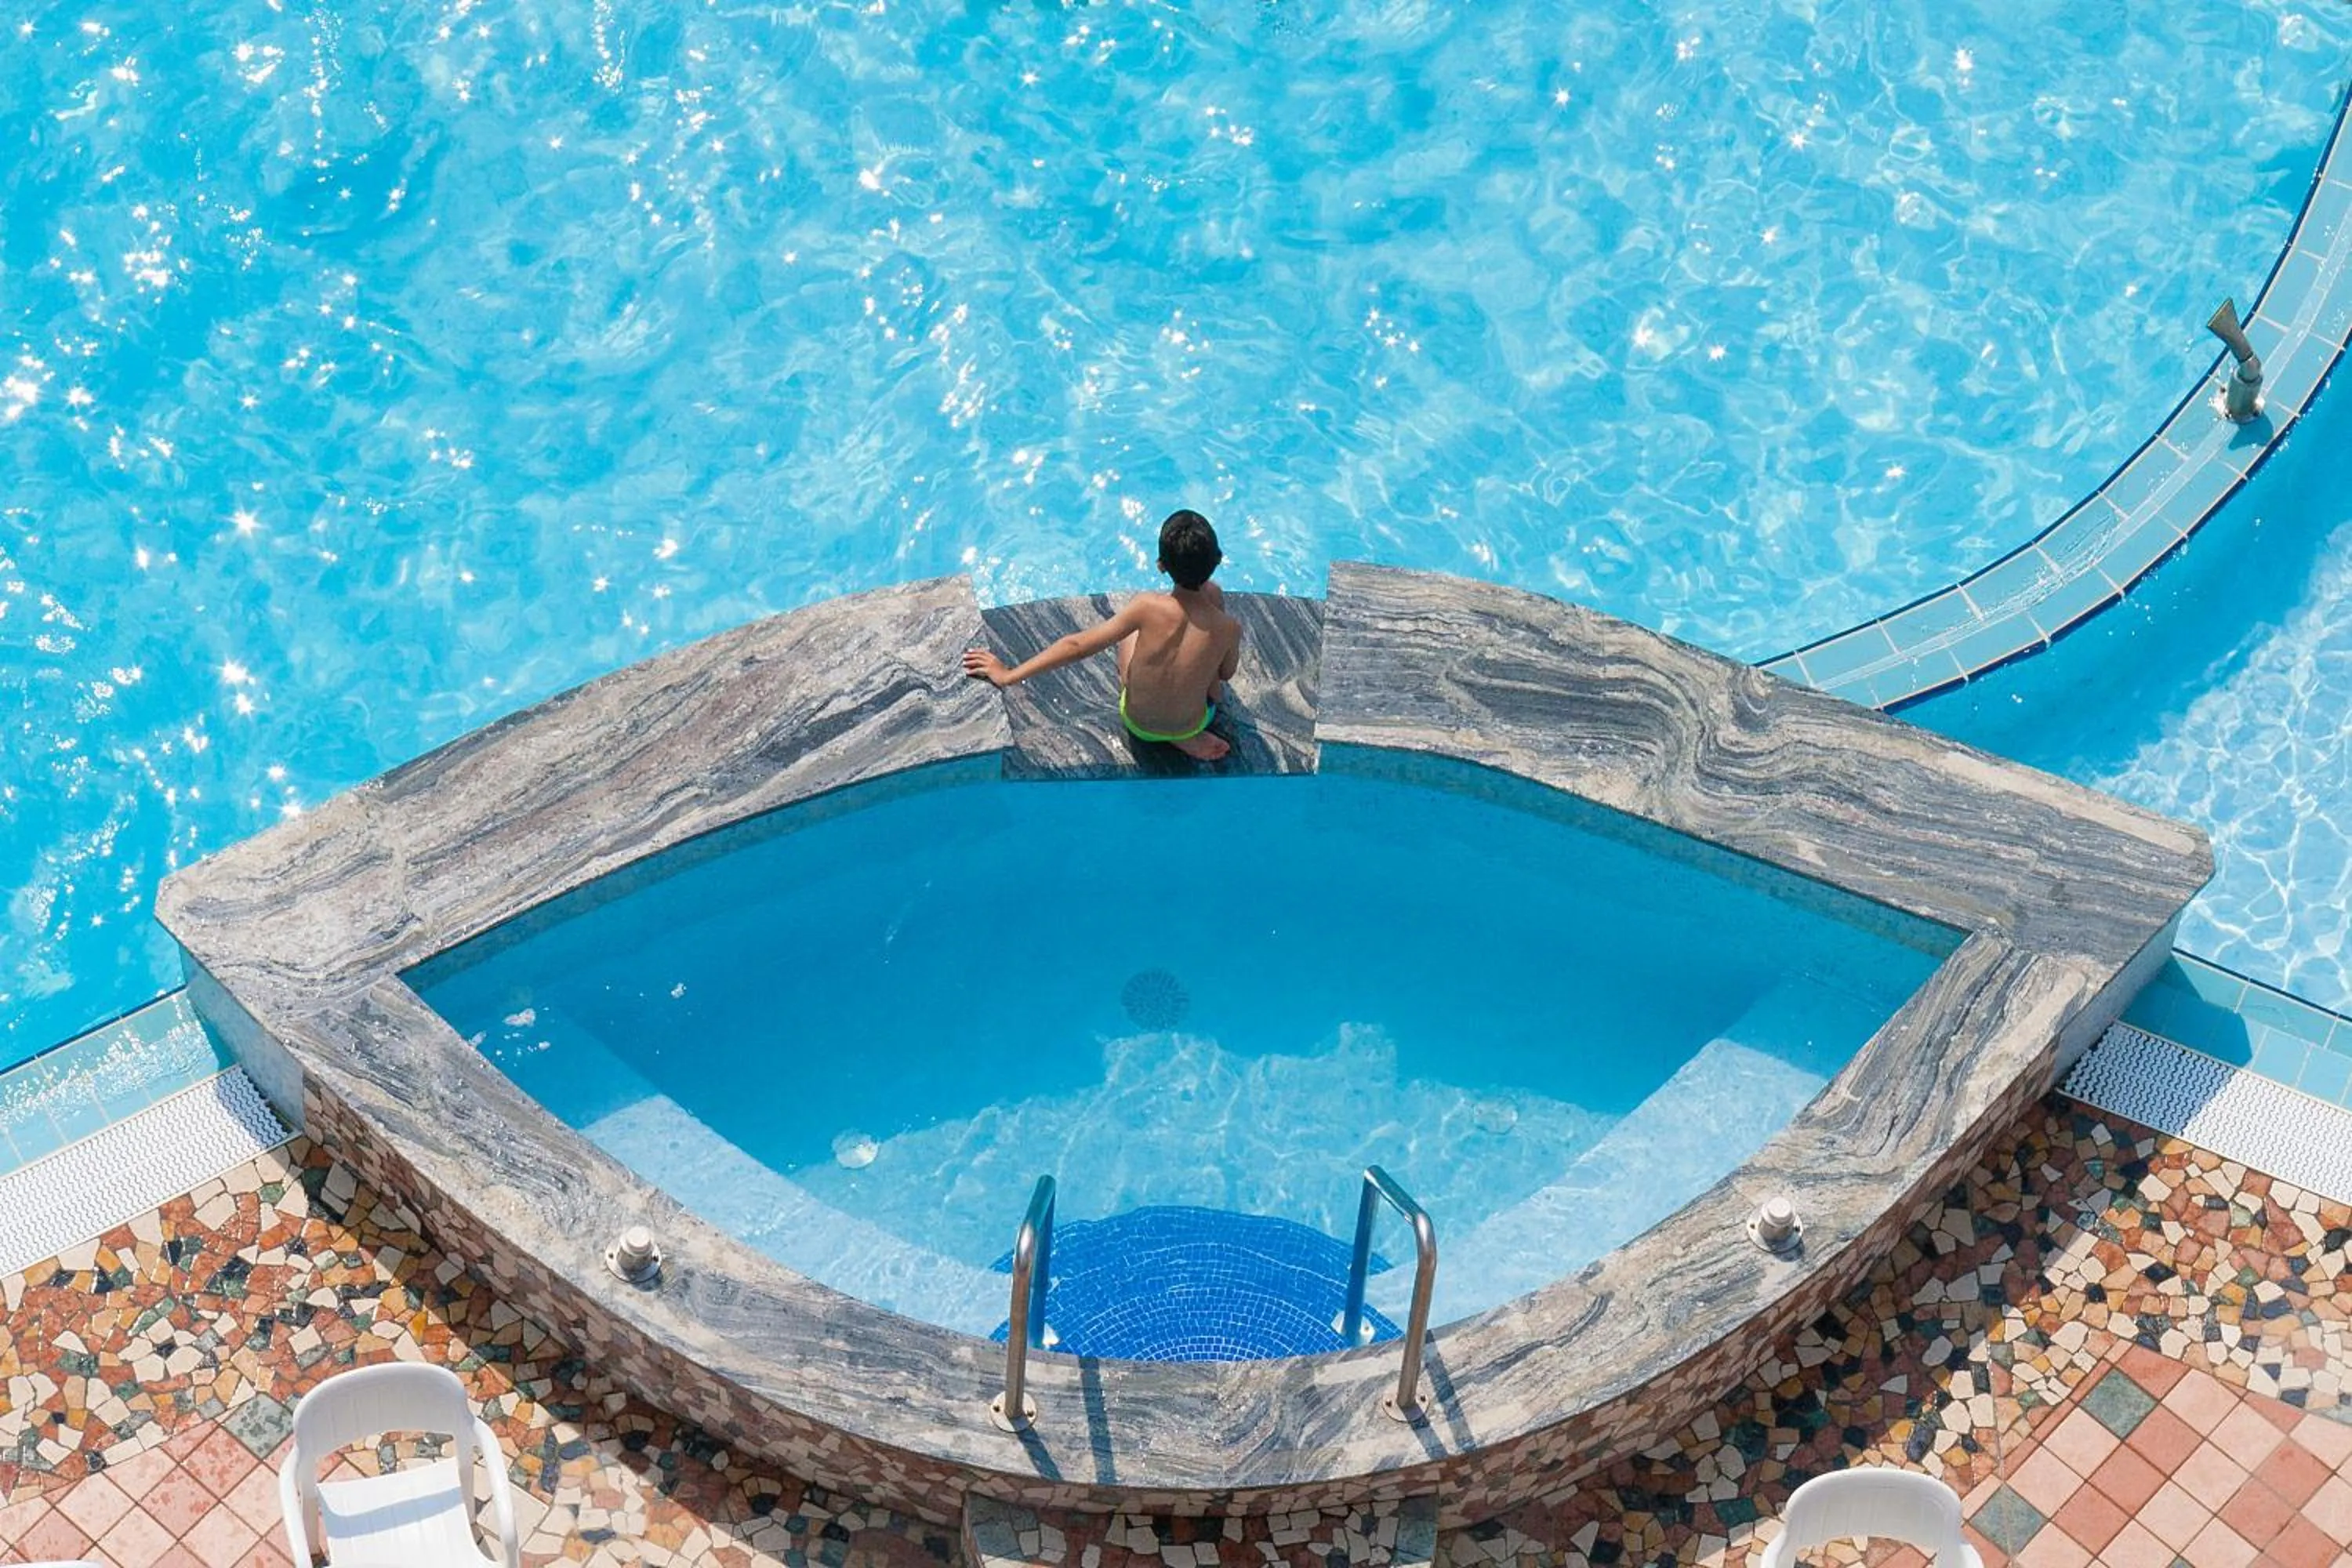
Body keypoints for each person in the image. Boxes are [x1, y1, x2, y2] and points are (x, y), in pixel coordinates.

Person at [963, 509, 1243, 760]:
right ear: (1217, 560)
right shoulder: (1229, 627)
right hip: (1197, 721)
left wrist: (1008, 674)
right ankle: (1183, 735)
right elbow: (1226, 673)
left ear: (1161, 565)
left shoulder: (1146, 607)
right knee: (1209, 638)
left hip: (1137, 723)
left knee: (1132, 633)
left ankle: (1171, 729)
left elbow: (1076, 645)